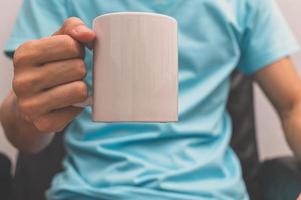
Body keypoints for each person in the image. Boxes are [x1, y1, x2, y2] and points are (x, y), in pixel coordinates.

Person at [0, 0, 300, 199]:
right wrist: (28, 108)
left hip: (211, 193)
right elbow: (25, 134)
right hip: (88, 192)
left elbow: (293, 105)